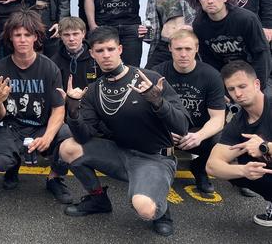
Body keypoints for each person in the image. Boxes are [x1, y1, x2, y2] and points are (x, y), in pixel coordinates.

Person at [59, 26, 190, 237]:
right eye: (100, 51)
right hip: (120, 153)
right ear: (92, 53)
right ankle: (98, 199)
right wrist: (73, 109)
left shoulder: (148, 78)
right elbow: (84, 136)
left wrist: (157, 100)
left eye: (110, 49)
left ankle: (161, 209)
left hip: (154, 158)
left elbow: (182, 126)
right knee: (68, 148)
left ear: (120, 49)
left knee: (145, 209)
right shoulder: (94, 91)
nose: (106, 55)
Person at [0, 9, 72, 203]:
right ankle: (12, 167)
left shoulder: (49, 68)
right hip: (12, 127)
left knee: (67, 136)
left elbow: (59, 109)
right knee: (1, 161)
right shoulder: (1, 68)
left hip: (40, 126)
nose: (23, 40)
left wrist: (47, 137)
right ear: (10, 38)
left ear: (36, 37)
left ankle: (55, 179)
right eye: (18, 35)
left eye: (27, 35)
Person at [153, 30, 225, 193]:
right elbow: (144, 111)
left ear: (196, 48)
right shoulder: (157, 72)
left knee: (219, 136)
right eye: (178, 49)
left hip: (195, 133)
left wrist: (199, 136)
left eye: (188, 49)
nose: (183, 54)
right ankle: (153, 170)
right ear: (170, 48)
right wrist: (163, 131)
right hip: (165, 131)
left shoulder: (211, 76)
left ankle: (200, 168)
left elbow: (218, 118)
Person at [207, 60, 272, 226]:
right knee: (241, 167)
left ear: (257, 84)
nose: (238, 93)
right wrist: (243, 170)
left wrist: (265, 147)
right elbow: (212, 165)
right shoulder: (238, 122)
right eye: (231, 89)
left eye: (242, 86)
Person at [191, 0, 271, 91]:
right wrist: (219, 88)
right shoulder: (199, 25)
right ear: (199, 0)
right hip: (225, 79)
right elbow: (209, 61)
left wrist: (257, 87)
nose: (210, 1)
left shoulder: (246, 19)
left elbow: (262, 55)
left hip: (254, 75)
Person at [50, 17, 99, 89]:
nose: (71, 39)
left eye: (75, 34)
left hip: (92, 99)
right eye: (66, 35)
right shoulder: (54, 62)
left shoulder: (96, 57)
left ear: (83, 34)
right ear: (60, 36)